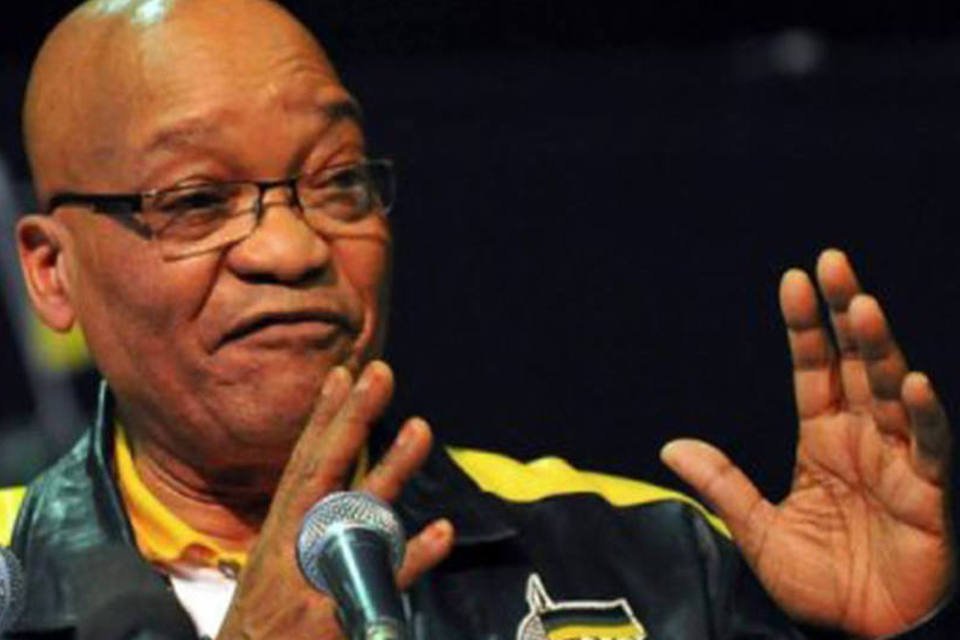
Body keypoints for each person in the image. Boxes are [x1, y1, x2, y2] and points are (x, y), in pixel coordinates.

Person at [0, 0, 954, 638]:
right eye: (199, 200)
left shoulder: (649, 559)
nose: (290, 248)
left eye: (337, 180)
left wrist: (890, 631)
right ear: (52, 271)